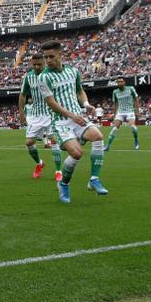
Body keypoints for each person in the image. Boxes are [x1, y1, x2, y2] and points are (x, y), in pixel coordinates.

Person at [38, 40, 107, 204]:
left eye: (51, 56)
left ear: (60, 55)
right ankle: (64, 184)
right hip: (61, 122)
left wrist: (86, 104)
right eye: (45, 57)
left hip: (78, 118)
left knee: (98, 136)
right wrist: (71, 115)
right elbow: (51, 103)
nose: (48, 60)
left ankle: (94, 179)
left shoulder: (73, 71)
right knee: (76, 153)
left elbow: (79, 91)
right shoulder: (43, 77)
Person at [18, 53, 62, 180]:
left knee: (54, 140)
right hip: (36, 115)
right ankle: (39, 163)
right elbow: (22, 95)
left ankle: (58, 171)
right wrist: (22, 113)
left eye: (39, 64)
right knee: (29, 142)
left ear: (44, 63)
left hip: (51, 113)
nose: (37, 67)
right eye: (34, 64)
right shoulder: (29, 77)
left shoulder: (52, 75)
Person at [104, 77, 140, 151]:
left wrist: (137, 111)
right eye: (118, 82)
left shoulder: (130, 88)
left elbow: (136, 100)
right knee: (114, 129)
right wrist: (114, 115)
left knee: (133, 127)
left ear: (124, 82)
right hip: (120, 112)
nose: (119, 83)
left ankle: (136, 140)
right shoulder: (115, 92)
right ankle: (107, 146)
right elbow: (115, 104)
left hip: (130, 111)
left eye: (121, 81)